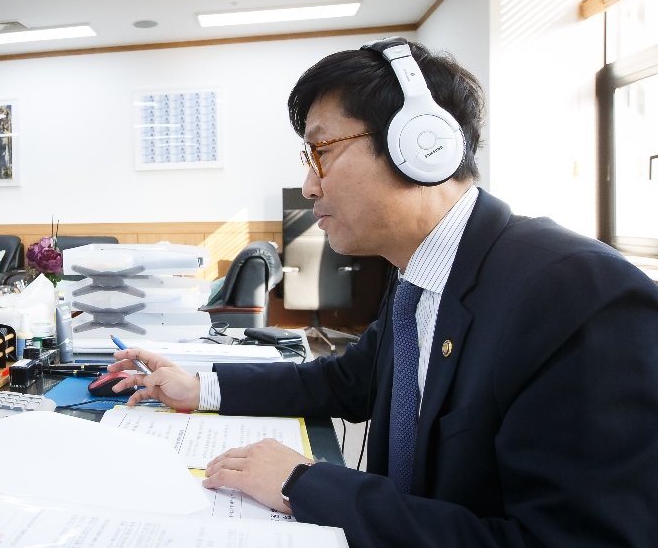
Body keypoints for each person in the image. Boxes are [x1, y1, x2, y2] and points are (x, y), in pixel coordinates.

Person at [108, 39, 658, 547]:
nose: (309, 186)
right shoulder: (421, 271)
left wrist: (305, 484)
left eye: (322, 151)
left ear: (420, 146)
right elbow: (346, 380)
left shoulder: (580, 296)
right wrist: (197, 387)